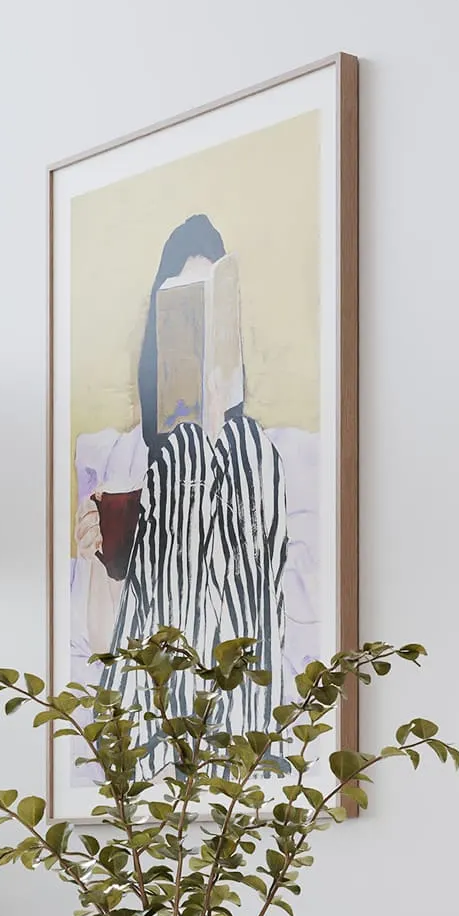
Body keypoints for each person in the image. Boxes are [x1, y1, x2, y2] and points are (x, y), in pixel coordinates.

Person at [89, 213, 289, 732]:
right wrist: (95, 558)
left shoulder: (256, 453)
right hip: (151, 717)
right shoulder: (130, 456)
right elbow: (103, 643)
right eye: (180, 305)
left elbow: (265, 596)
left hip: (233, 724)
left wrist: (219, 425)